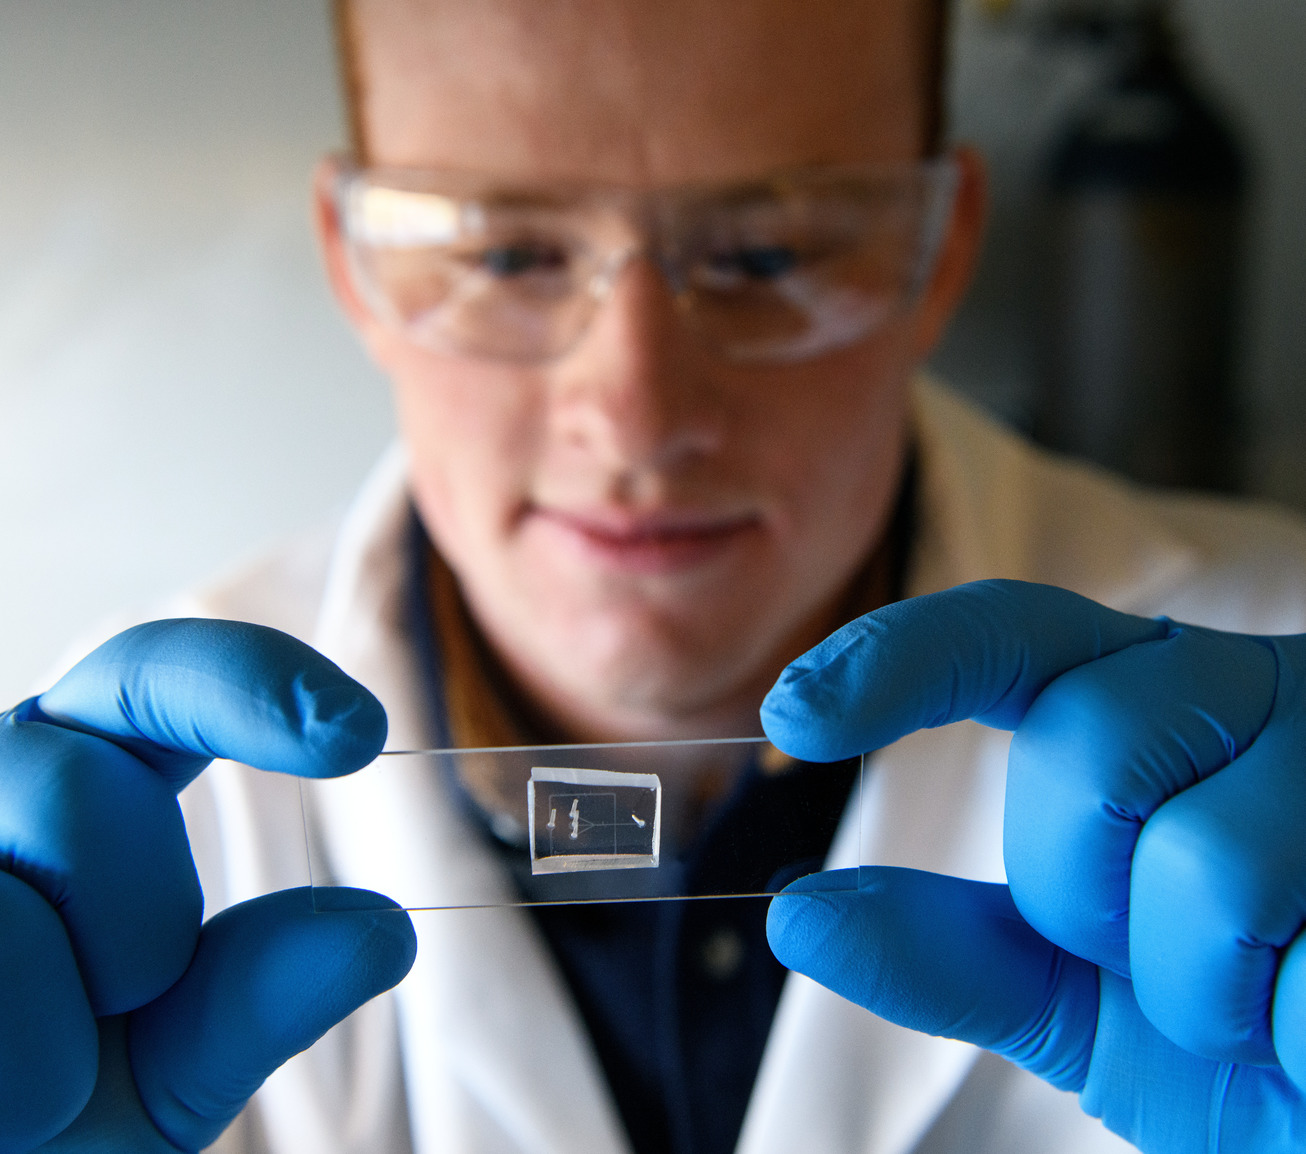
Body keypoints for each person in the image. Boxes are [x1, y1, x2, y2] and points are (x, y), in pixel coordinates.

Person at [2, 1, 1305, 1151]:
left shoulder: (1271, 682)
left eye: (767, 252)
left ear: (936, 250)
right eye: (507, 253)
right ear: (357, 263)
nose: (633, 416)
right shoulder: (129, 839)